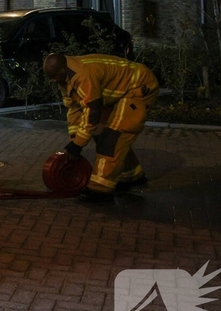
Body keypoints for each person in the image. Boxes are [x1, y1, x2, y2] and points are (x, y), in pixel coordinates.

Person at [43, 52, 159, 202]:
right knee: (102, 134)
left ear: (63, 69)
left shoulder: (83, 75)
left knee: (112, 138)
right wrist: (74, 140)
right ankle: (132, 176)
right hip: (123, 92)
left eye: (54, 75)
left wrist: (78, 145)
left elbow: (92, 112)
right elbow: (74, 108)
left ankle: (100, 190)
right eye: (50, 76)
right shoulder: (65, 78)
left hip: (139, 88)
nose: (52, 80)